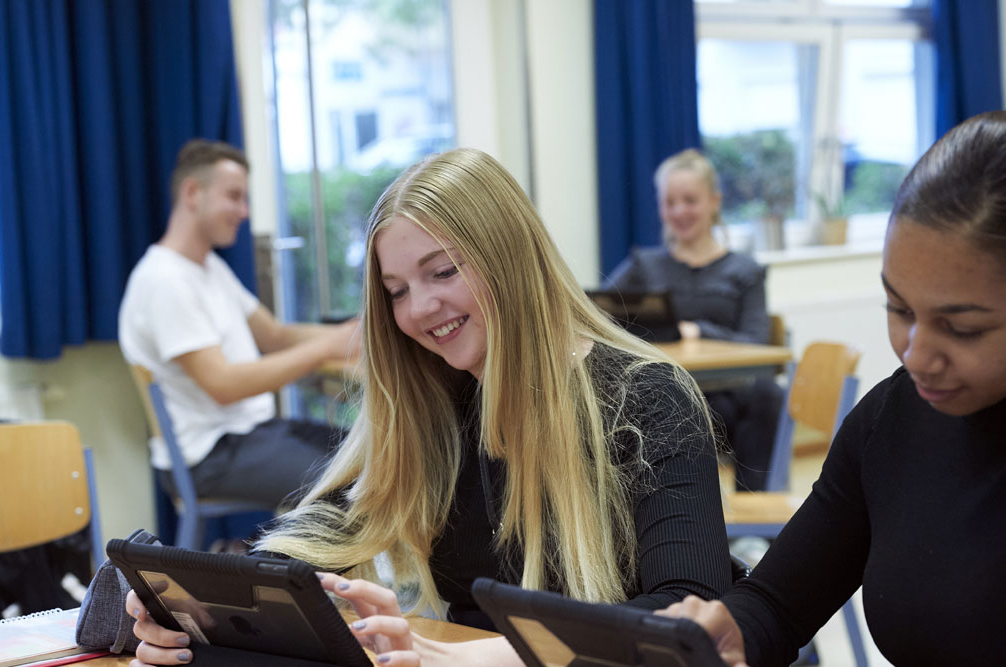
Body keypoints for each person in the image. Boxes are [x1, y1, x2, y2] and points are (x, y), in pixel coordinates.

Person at [125, 147, 731, 666]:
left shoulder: (649, 398)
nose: (417, 311)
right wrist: (199, 609)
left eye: (441, 272)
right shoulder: (438, 395)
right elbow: (330, 529)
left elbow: (687, 616)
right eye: (396, 292)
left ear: (508, 257)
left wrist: (485, 655)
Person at [658, 110, 1006, 666]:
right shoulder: (890, 421)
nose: (914, 353)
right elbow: (780, 600)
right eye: (899, 308)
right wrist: (733, 632)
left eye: (961, 328)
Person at [119, 139, 357, 508]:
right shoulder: (165, 281)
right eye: (234, 196)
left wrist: (356, 335)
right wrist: (325, 348)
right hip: (211, 456)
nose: (244, 212)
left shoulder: (209, 268)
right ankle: (317, 565)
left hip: (249, 436)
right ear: (193, 193)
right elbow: (224, 385)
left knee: (370, 452)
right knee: (361, 477)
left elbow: (275, 335)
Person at [604, 149, 784, 491]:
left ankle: (755, 522)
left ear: (714, 201)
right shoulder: (644, 266)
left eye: (690, 200)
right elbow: (598, 310)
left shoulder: (745, 271)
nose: (679, 211)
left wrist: (698, 331)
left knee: (767, 395)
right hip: (660, 396)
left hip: (725, 403)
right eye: (670, 202)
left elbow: (757, 341)